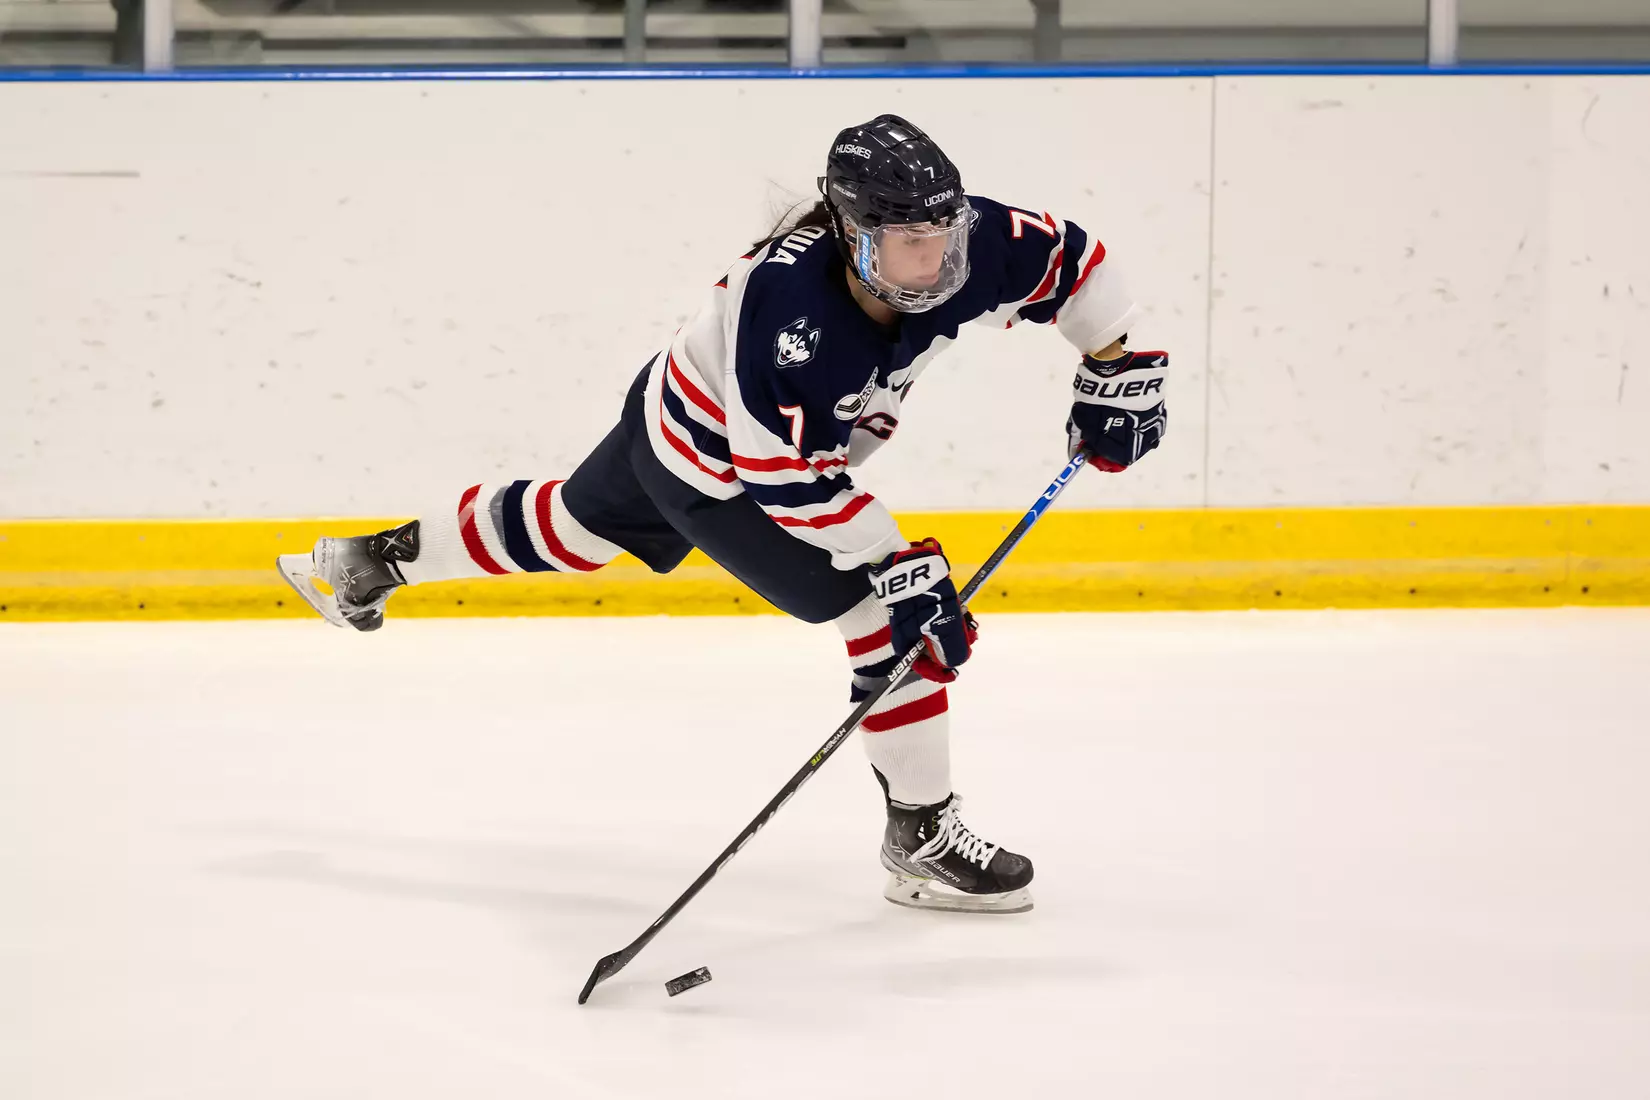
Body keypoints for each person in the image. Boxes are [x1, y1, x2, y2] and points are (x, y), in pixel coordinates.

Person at [278, 114, 1168, 915]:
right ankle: (920, 837)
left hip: (667, 406)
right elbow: (786, 481)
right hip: (722, 475)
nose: (934, 264)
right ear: (853, 237)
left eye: (944, 235)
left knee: (568, 532)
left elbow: (1076, 262)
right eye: (907, 245)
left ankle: (368, 560)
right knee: (889, 621)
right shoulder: (792, 316)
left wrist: (1119, 363)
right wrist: (904, 564)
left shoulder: (962, 239)